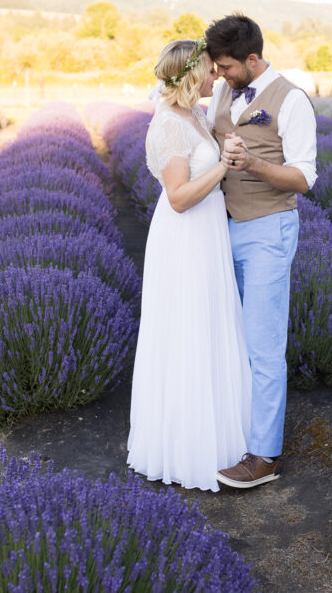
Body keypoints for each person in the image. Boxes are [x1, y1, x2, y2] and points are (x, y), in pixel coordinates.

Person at [127, 39, 252, 492]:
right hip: (185, 237)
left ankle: (221, 437)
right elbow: (178, 198)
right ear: (190, 76)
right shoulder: (168, 126)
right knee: (188, 330)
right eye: (209, 71)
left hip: (208, 235)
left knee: (213, 324)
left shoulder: (194, 116)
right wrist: (222, 166)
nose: (217, 75)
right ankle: (187, 447)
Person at [206, 14, 317, 489]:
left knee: (264, 346)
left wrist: (251, 162)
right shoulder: (222, 92)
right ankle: (231, 430)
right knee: (228, 337)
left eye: (228, 67)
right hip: (218, 228)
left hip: (268, 230)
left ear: (253, 59)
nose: (221, 75)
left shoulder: (291, 100)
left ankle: (264, 456)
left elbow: (304, 179)